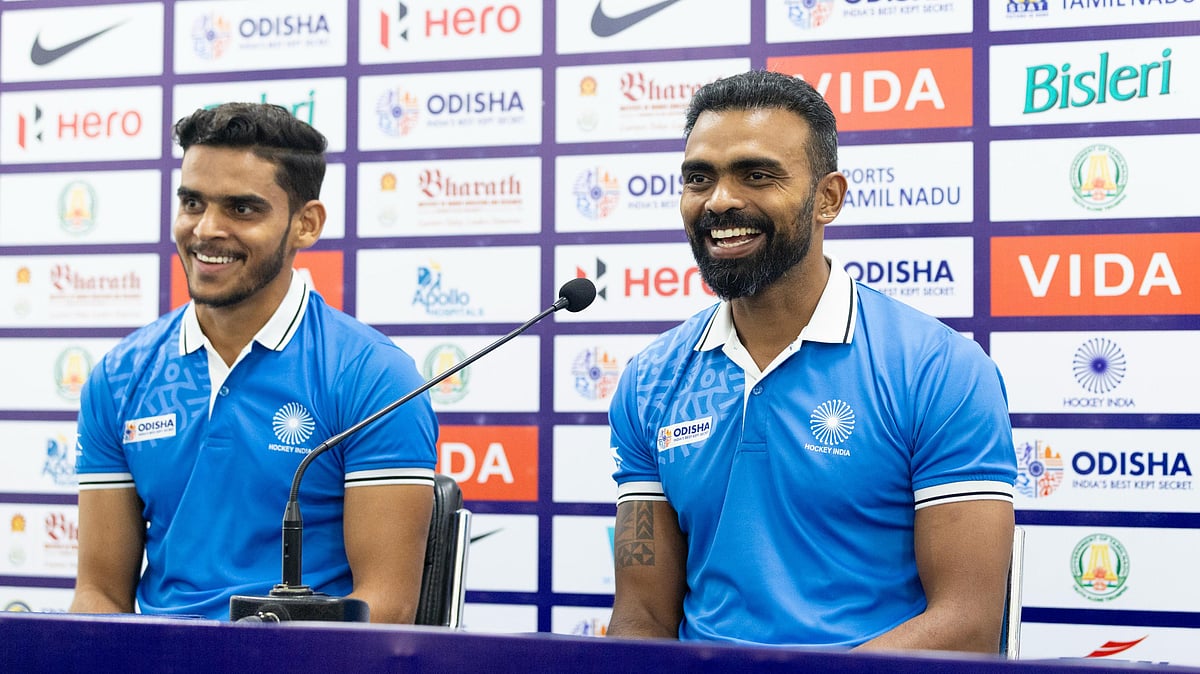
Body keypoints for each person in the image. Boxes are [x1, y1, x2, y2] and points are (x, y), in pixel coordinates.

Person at [606, 71, 1017, 652]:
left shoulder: (939, 370)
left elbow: (967, 626)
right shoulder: (650, 380)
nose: (720, 200)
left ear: (828, 198)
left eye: (756, 175)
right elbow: (641, 617)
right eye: (699, 178)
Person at [69, 103, 438, 622]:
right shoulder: (119, 376)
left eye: (242, 209)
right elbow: (99, 596)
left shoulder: (371, 376)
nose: (206, 230)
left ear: (305, 224)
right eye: (192, 202)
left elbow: (385, 608)